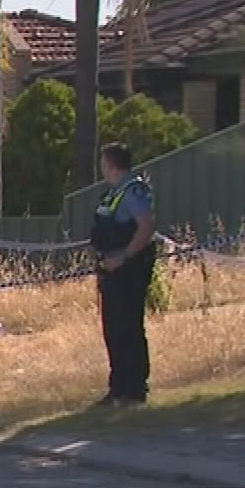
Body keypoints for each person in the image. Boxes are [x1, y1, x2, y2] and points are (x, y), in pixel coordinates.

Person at [91, 142, 159, 406]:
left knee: (129, 326)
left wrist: (124, 256)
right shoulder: (113, 193)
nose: (101, 168)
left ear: (110, 163)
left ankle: (134, 389)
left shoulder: (133, 190)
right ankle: (118, 387)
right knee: (114, 328)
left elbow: (146, 226)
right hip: (111, 270)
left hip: (129, 269)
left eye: (103, 162)